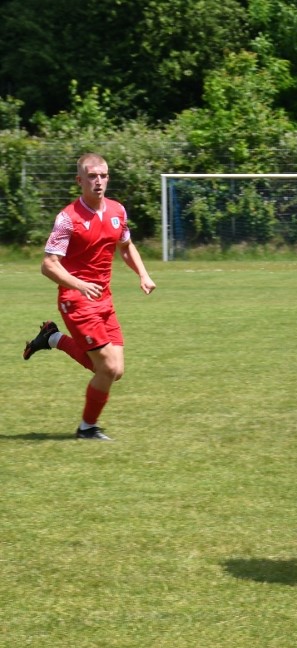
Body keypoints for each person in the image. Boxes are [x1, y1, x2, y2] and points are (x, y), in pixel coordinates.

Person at [22, 153, 156, 441]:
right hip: (75, 299)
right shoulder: (67, 219)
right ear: (79, 180)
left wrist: (143, 275)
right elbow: (48, 265)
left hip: (104, 299)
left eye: (103, 175)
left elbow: (126, 246)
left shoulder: (118, 211)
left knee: (115, 370)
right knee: (106, 368)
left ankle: (52, 338)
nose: (99, 181)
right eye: (92, 176)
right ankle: (87, 428)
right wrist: (79, 284)